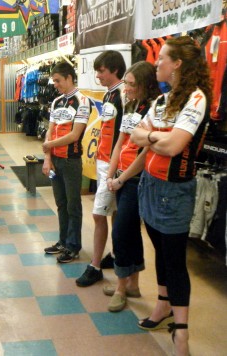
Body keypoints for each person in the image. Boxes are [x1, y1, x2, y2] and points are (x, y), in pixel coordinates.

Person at [131, 36, 212, 356]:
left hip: (174, 190)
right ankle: (163, 305)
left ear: (177, 63)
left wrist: (152, 137)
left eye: (162, 57)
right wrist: (156, 138)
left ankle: (182, 333)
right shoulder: (163, 102)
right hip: (149, 184)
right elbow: (139, 135)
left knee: (175, 260)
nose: (156, 62)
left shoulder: (196, 98)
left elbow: (175, 146)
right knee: (160, 252)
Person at [103, 61, 161, 312]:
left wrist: (122, 178)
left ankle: (120, 286)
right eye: (125, 83)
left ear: (145, 85)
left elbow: (145, 154)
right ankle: (132, 283)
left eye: (131, 84)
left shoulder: (153, 110)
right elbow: (119, 143)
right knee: (129, 231)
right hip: (121, 176)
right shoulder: (130, 105)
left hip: (136, 179)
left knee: (121, 231)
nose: (126, 88)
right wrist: (110, 173)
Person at [76, 50, 126, 287]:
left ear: (115, 69)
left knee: (98, 213)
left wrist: (116, 164)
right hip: (104, 160)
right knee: (112, 211)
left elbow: (126, 133)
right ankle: (115, 255)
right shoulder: (109, 94)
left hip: (114, 164)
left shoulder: (124, 93)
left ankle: (95, 265)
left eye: (102, 71)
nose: (98, 76)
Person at [41, 61, 91, 263]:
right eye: (53, 81)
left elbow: (75, 135)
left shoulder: (83, 101)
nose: (55, 84)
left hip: (71, 160)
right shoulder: (56, 102)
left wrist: (49, 144)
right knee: (61, 203)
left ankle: (73, 246)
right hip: (55, 160)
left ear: (69, 78)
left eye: (58, 80)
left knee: (73, 204)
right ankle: (63, 241)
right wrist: (47, 157)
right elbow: (49, 130)